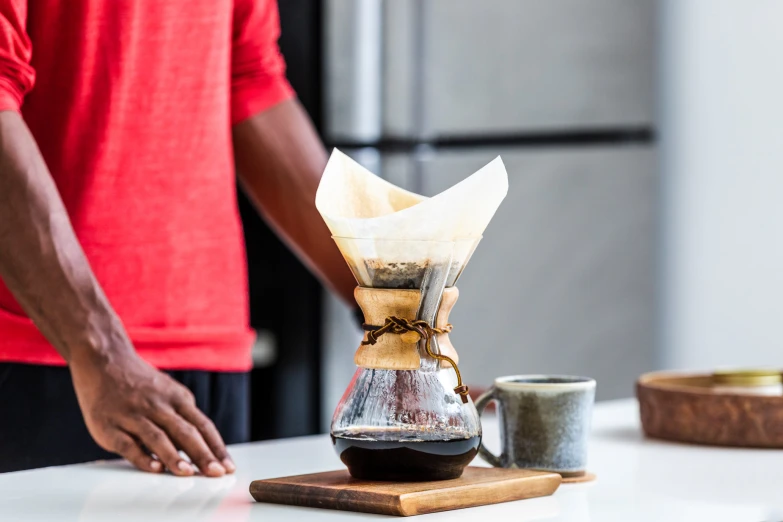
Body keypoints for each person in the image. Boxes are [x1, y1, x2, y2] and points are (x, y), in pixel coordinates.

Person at [0, 0, 356, 475]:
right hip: (46, 354)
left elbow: (248, 74)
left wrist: (396, 307)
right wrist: (99, 349)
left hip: (210, 356)